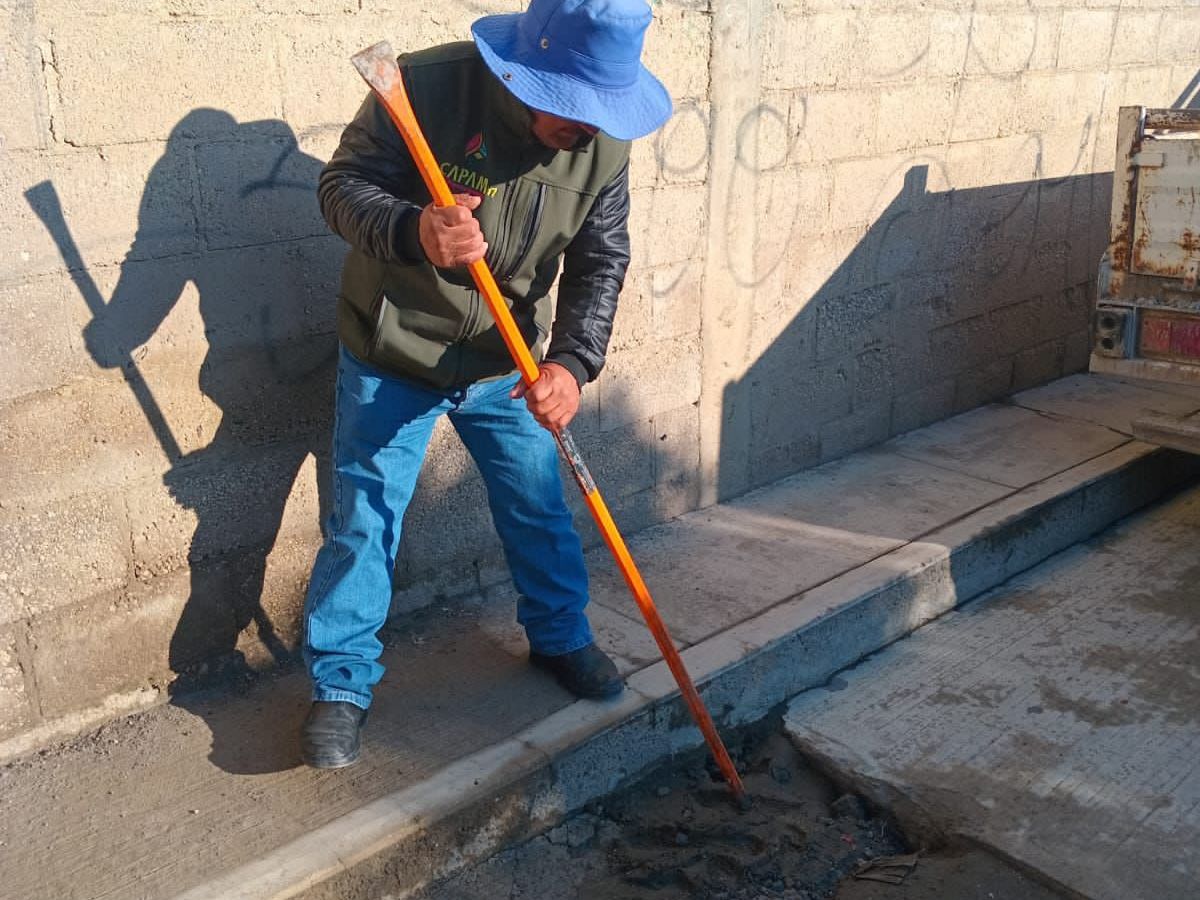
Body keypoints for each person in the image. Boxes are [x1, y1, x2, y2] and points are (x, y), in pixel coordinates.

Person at [300, 0, 673, 769]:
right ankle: (340, 686)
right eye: (577, 109)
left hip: (509, 362)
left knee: (539, 507)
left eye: (605, 110)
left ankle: (560, 639)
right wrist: (415, 231)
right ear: (527, 78)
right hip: (393, 351)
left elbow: (601, 260)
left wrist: (573, 364)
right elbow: (341, 187)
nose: (591, 129)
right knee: (364, 521)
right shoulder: (426, 89)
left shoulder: (601, 148)